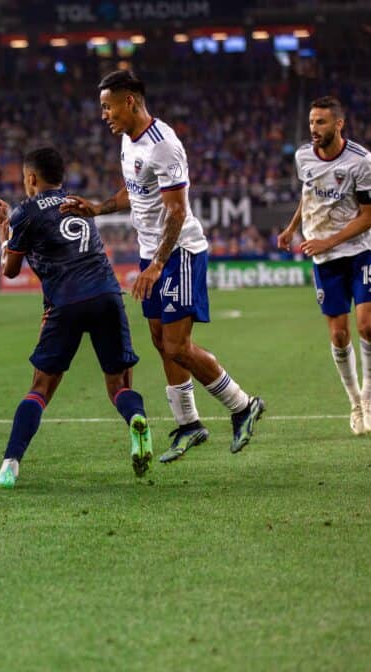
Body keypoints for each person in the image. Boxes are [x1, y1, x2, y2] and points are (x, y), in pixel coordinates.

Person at [63, 70, 265, 462]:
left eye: (108, 106)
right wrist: (99, 208)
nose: (104, 114)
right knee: (160, 341)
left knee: (177, 344)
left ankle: (242, 405)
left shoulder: (164, 145)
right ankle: (189, 424)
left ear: (130, 102)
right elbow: (136, 191)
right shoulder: (128, 141)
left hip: (179, 253)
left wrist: (156, 264)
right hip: (150, 253)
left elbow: (177, 210)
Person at [0, 147, 152, 488]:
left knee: (40, 388)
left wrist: (4, 228)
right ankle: (137, 418)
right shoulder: (79, 202)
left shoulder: (25, 212)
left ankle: (9, 467)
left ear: (30, 178)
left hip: (65, 303)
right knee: (119, 384)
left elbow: (12, 271)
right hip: (107, 293)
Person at [278, 96, 371, 434]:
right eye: (312, 122)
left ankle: (370, 399)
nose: (314, 129)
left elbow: (370, 217)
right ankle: (355, 402)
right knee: (339, 334)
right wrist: (291, 226)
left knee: (367, 327)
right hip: (325, 257)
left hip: (360, 250)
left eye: (321, 123)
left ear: (339, 124)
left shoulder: (362, 162)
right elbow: (308, 192)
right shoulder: (303, 157)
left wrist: (329, 240)